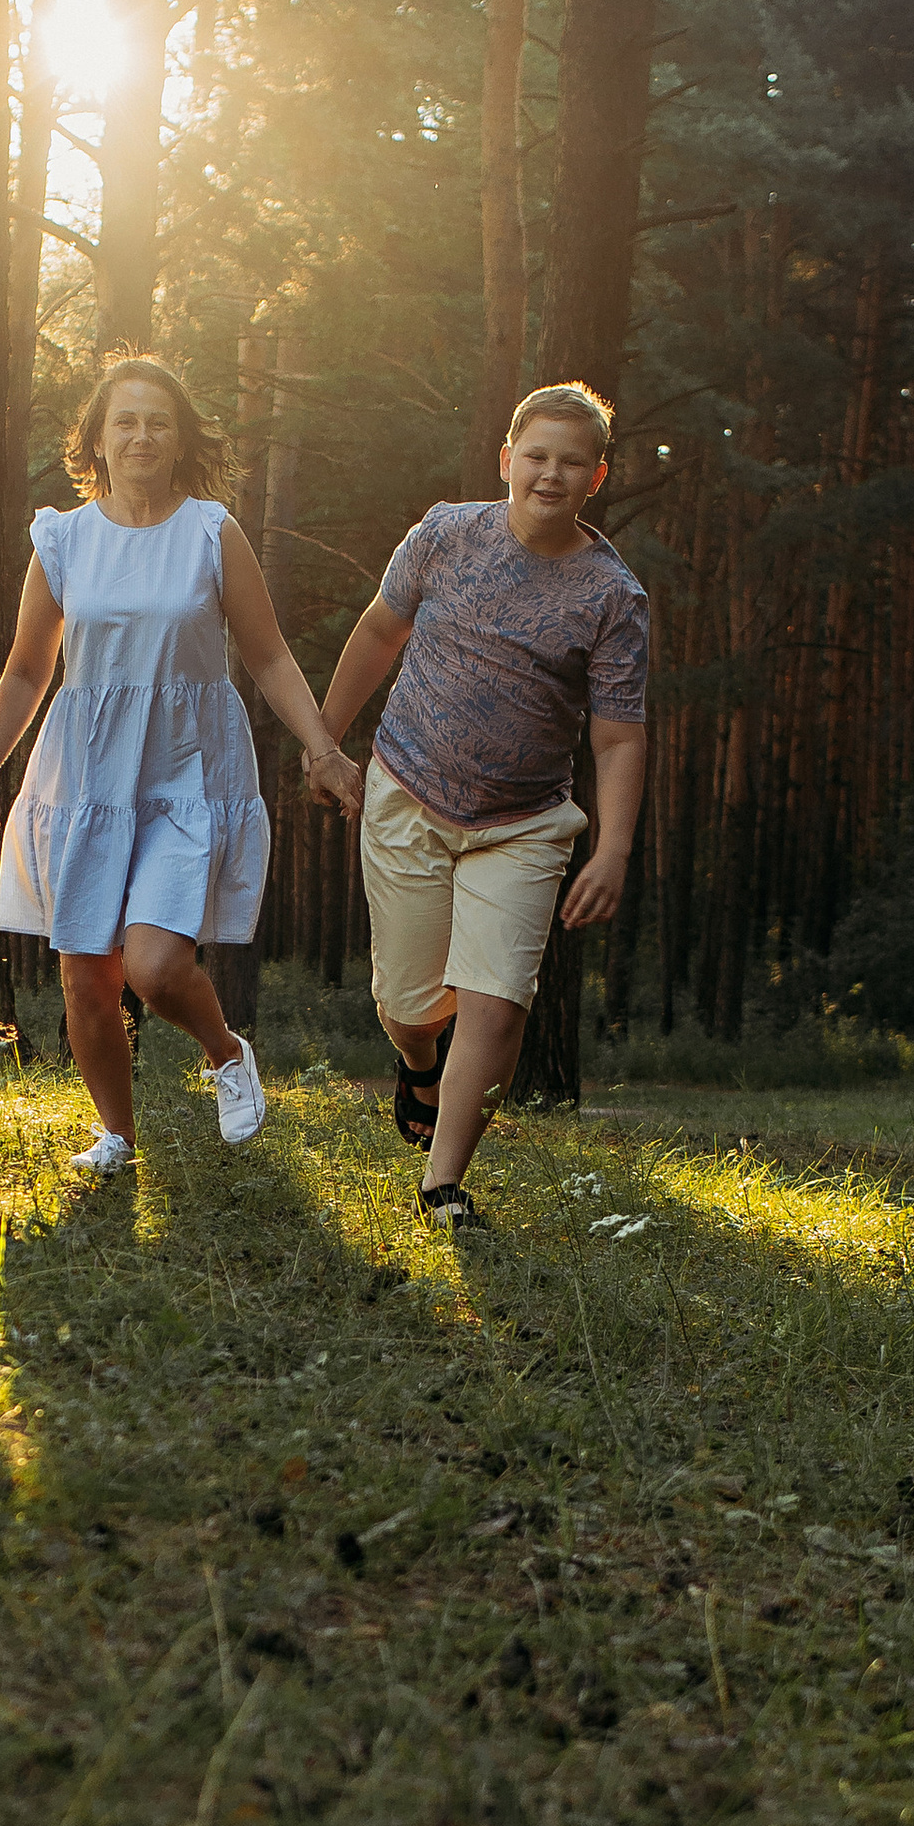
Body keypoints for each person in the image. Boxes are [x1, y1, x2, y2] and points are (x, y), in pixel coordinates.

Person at [0, 355, 364, 1176]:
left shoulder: (212, 532)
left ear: (181, 440)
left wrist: (323, 745)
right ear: (97, 440)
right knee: (86, 980)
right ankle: (118, 1136)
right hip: (88, 774)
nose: (141, 435)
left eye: (158, 422)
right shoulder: (63, 540)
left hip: (184, 771)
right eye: (125, 421)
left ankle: (225, 1052)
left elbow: (270, 654)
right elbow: (28, 669)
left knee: (155, 965)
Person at [318, 382, 648, 1228]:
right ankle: (420, 1062)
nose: (550, 475)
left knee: (499, 1000)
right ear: (507, 461)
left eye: (571, 463)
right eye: (536, 457)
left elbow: (616, 738)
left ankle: (442, 1188)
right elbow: (377, 634)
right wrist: (324, 741)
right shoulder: (444, 536)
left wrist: (611, 851)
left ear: (596, 477)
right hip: (410, 789)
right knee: (407, 1004)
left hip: (527, 821)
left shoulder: (613, 597)